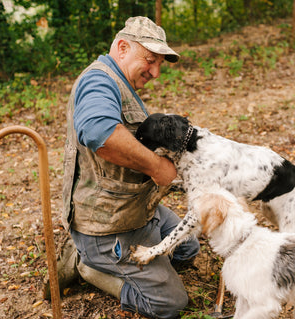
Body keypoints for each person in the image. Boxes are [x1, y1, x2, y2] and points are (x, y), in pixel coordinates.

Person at [47, 16, 200, 318]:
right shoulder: (99, 80)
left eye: (159, 64)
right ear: (121, 47)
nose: (155, 72)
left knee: (187, 248)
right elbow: (96, 130)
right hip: (108, 225)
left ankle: (138, 257)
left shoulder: (121, 83)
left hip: (138, 208)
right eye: (150, 60)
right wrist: (157, 167)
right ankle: (87, 265)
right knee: (170, 303)